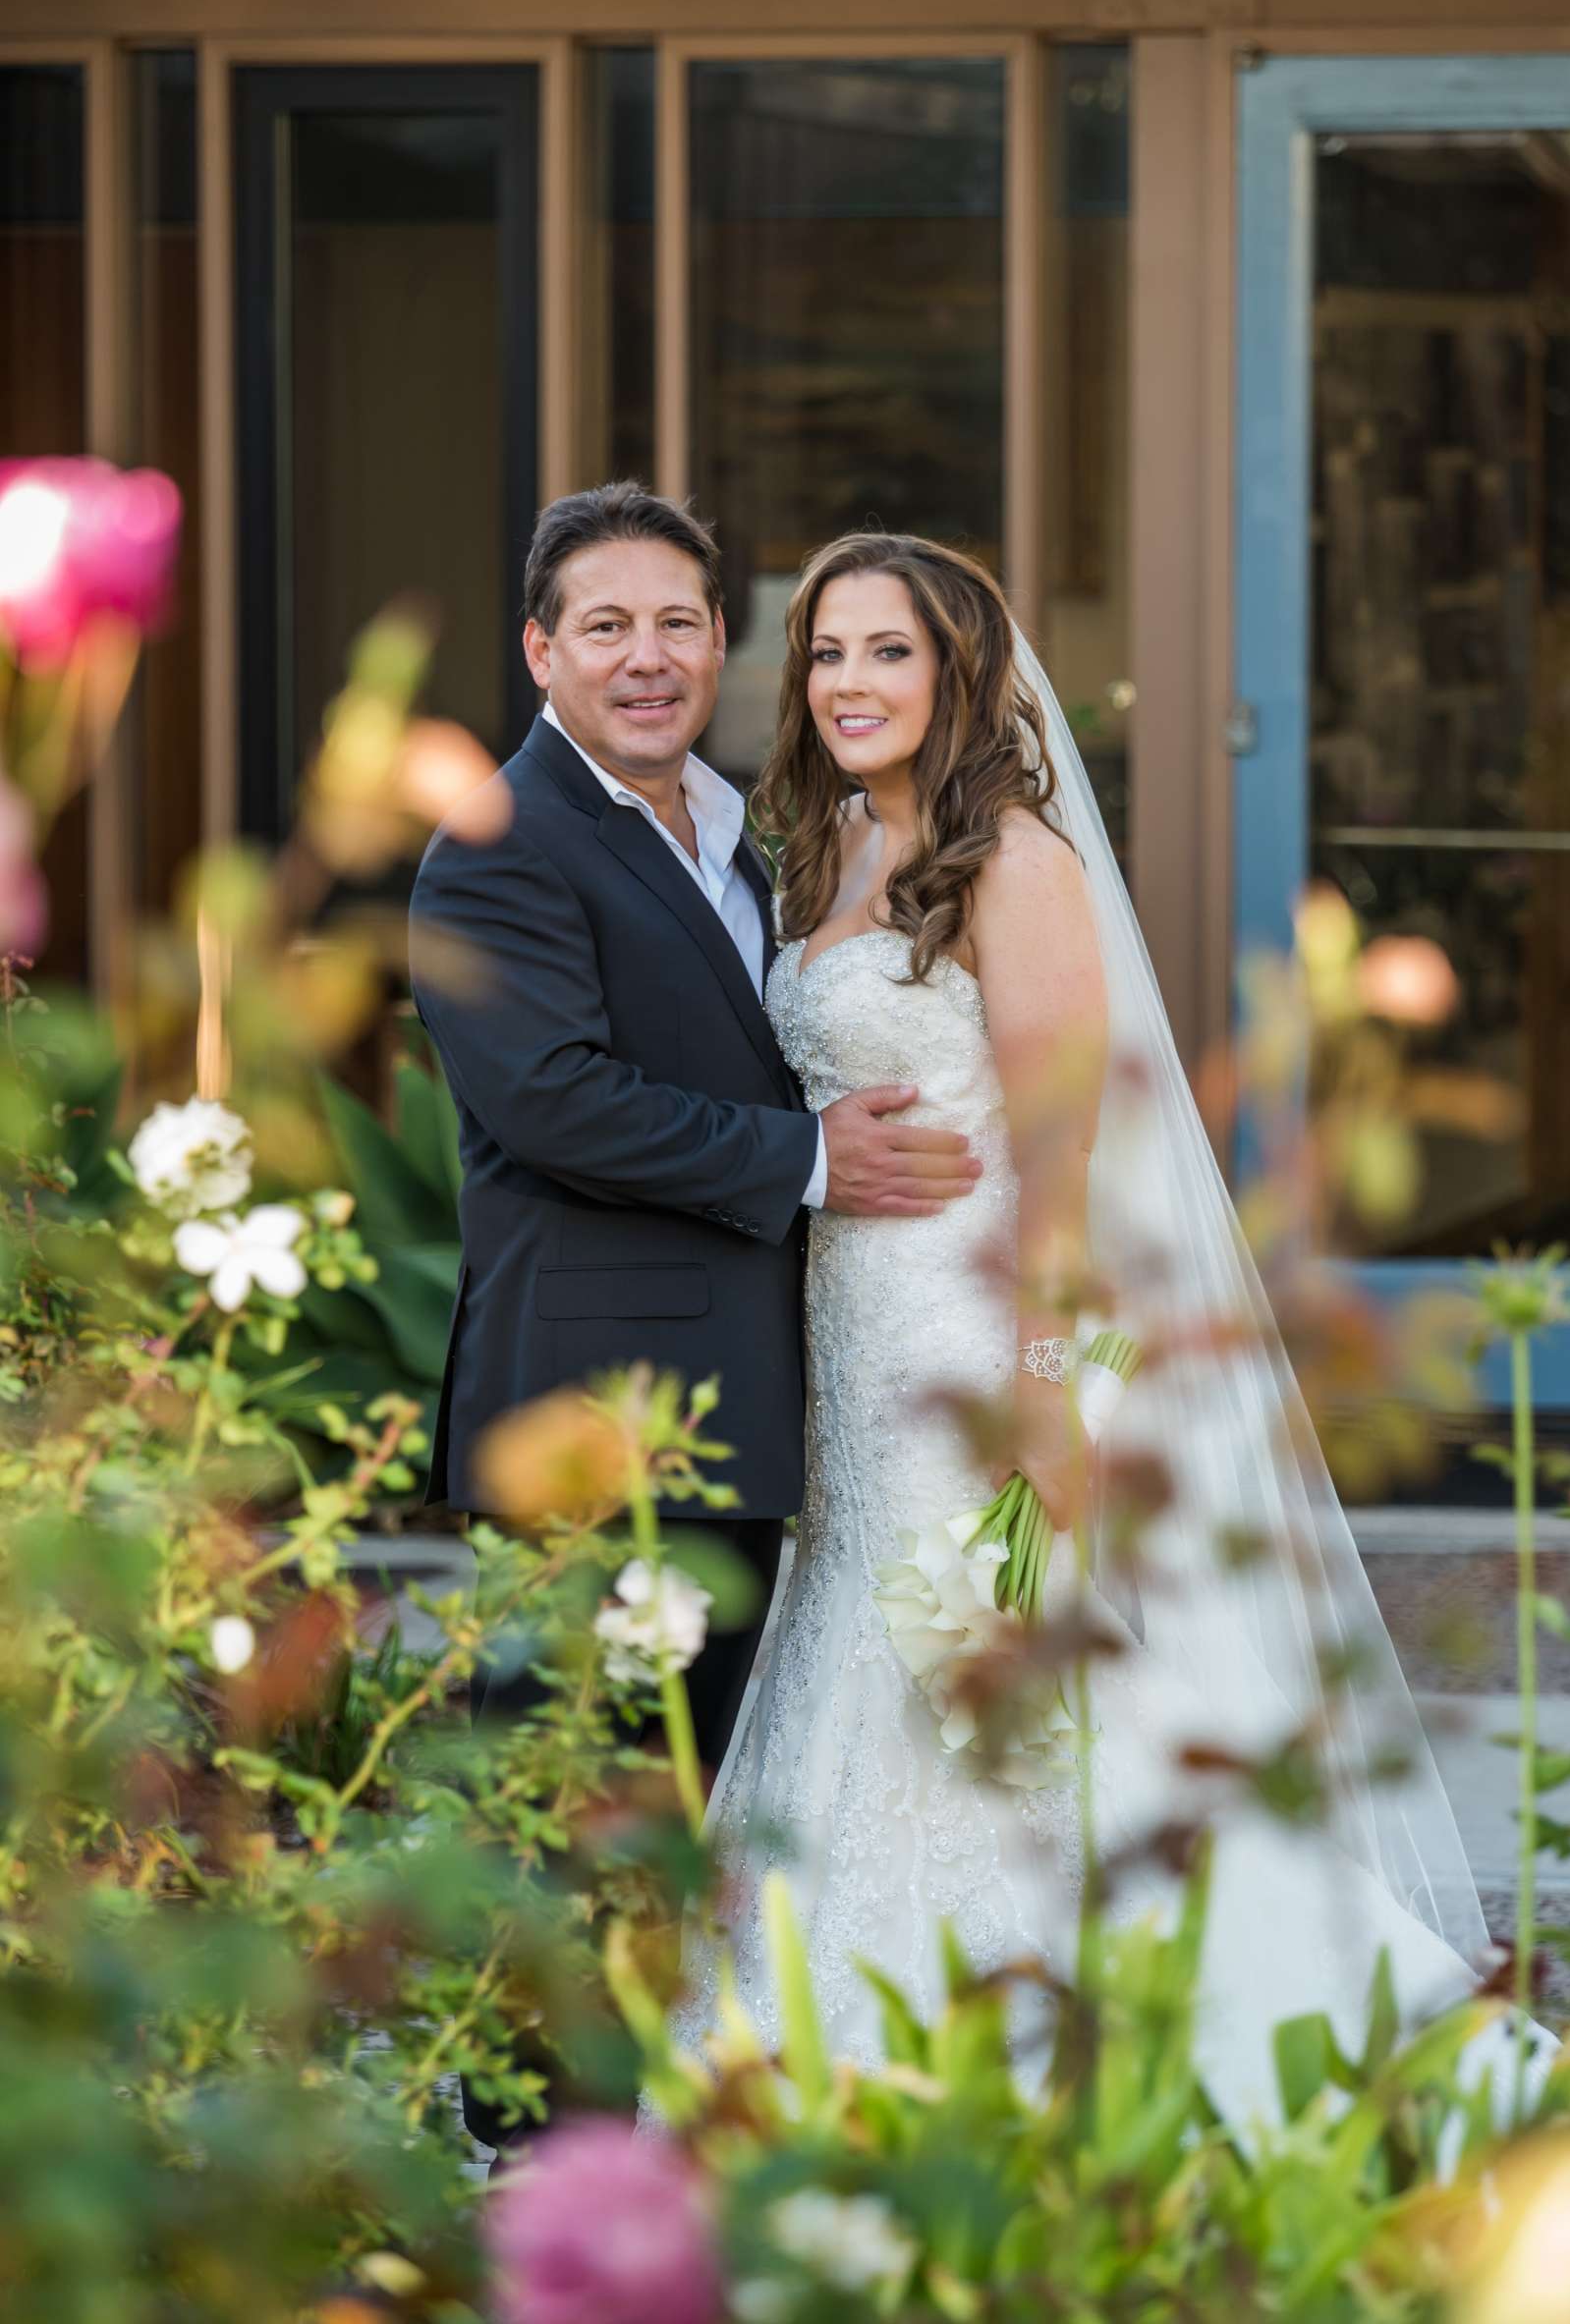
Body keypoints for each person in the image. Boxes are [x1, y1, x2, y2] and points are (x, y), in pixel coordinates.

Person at [673, 529, 1536, 2130]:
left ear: (959, 674)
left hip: (981, 1339)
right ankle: (839, 2054)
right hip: (848, 1344)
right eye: (826, 653)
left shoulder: (1016, 865)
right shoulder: (827, 846)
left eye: (889, 651)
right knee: (864, 1653)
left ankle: (1130, 2055)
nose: (850, 683)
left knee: (1027, 1696)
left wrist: (1054, 1389)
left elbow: (1073, 1149)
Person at [408, 486, 981, 2146]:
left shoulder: (743, 828)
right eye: (606, 625)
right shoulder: (498, 844)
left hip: (736, 1392)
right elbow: (554, 1101)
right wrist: (806, 1159)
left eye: (677, 622)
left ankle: (627, 2105)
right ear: (540, 649)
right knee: (580, 1772)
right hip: (592, 1397)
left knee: (685, 1768)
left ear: (719, 641)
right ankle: (535, 2133)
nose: (647, 658)